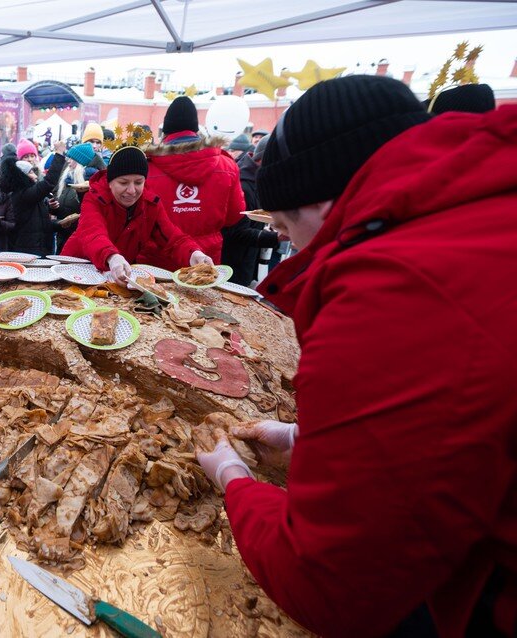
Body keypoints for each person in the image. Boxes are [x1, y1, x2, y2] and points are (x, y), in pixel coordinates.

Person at [196, 75, 517, 637]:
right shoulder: (481, 211)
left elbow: (330, 585)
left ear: (321, 201)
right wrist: (307, 438)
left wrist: (234, 482)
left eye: (284, 225)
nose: (289, 245)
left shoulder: (391, 292)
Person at [60, 145, 211, 284]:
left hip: (115, 275)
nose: (132, 190)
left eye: (138, 182)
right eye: (124, 183)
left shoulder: (151, 204)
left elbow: (172, 238)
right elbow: (93, 233)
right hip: (78, 268)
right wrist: (111, 257)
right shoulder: (94, 198)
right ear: (110, 181)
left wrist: (193, 254)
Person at [140, 96, 245, 268]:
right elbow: (234, 216)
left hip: (157, 260)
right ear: (196, 130)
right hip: (205, 260)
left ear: (165, 131)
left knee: (155, 296)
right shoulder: (227, 165)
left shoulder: (146, 167)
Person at [220, 134, 279, 287]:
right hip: (233, 264)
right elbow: (236, 232)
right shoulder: (244, 184)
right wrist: (277, 238)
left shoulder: (259, 179)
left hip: (246, 260)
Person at [0, 140, 74, 256]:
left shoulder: (28, 193)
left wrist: (59, 224)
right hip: (29, 253)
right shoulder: (22, 194)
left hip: (38, 249)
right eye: (30, 173)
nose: (35, 175)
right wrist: (59, 153)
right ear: (22, 176)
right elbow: (49, 182)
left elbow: (39, 225)